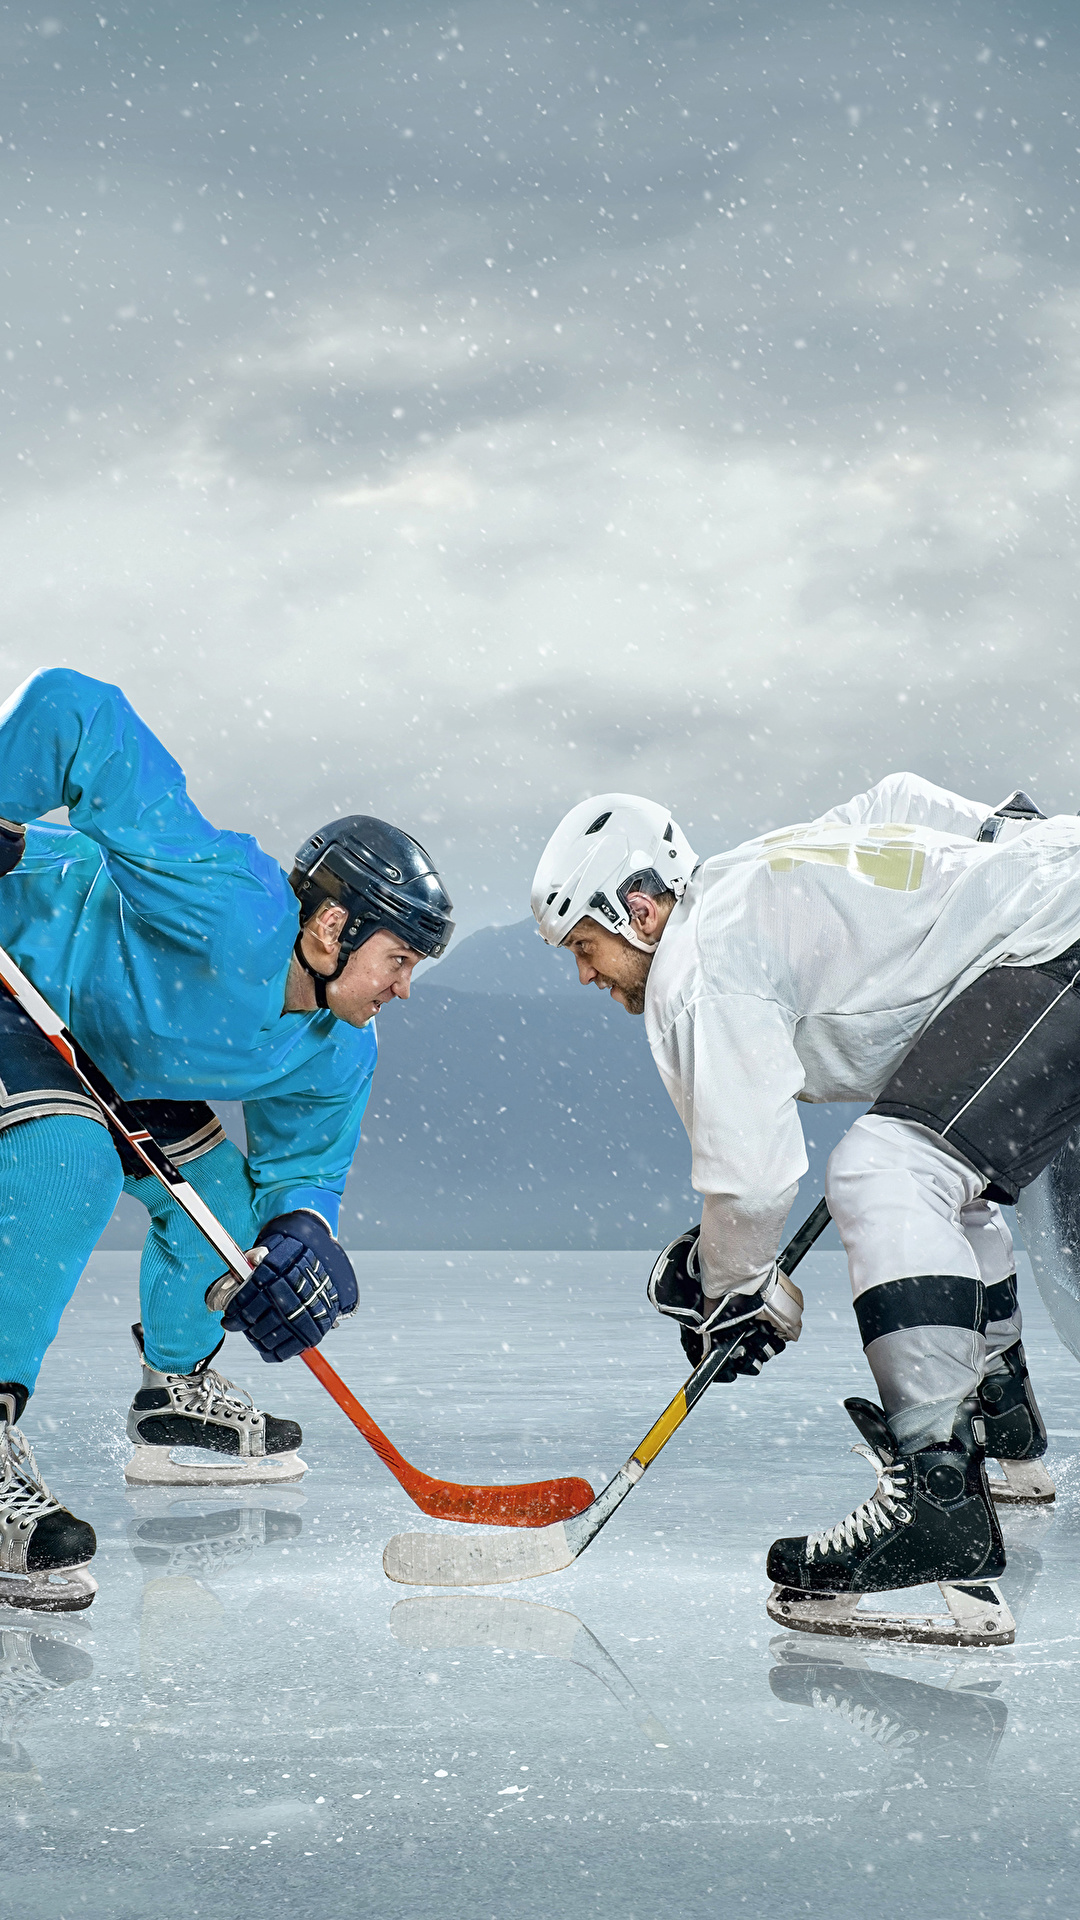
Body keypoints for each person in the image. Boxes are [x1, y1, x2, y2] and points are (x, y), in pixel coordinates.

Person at [531, 778, 1076, 1645]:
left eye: (585, 944)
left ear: (637, 909)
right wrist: (1000, 830)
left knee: (887, 1171)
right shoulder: (754, 874)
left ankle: (941, 1502)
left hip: (1061, 936)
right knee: (938, 1169)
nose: (584, 972)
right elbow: (891, 800)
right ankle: (999, 1419)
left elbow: (750, 1178)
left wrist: (734, 1286)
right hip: (1055, 915)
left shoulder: (697, 963)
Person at [0, 667, 453, 1611]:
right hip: (23, 978)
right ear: (334, 926)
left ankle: (174, 1394)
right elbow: (81, 710)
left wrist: (299, 1239)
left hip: (122, 1058)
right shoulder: (231, 899)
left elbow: (305, 1174)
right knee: (68, 1159)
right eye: (398, 959)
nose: (404, 986)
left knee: (230, 1217)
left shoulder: (338, 1046)